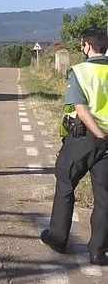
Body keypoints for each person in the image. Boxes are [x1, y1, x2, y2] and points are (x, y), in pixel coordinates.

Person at [41, 28, 108, 266]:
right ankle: (98, 251)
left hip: (84, 138)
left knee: (66, 183)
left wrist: (98, 134)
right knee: (104, 196)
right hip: (107, 142)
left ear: (88, 46)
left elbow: (80, 109)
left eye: (82, 46)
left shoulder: (80, 71)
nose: (81, 49)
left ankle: (58, 238)